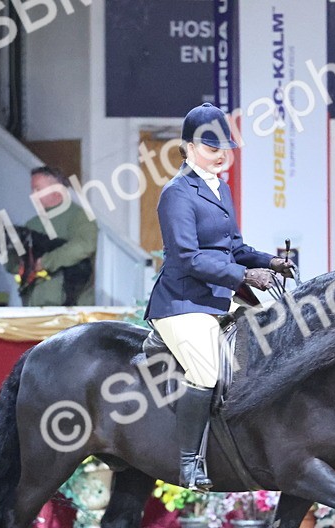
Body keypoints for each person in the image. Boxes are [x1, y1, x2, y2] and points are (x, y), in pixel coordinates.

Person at [144, 103, 294, 490]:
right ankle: (190, 463)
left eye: (224, 148)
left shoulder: (220, 188)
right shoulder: (177, 194)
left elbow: (235, 248)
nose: (220, 156)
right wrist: (245, 274)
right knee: (206, 371)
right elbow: (188, 257)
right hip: (183, 302)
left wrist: (270, 262)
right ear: (190, 147)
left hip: (220, 296)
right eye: (213, 149)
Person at [12, 166, 98, 306]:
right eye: (33, 190)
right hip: (34, 308)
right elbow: (14, 264)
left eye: (38, 189)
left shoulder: (80, 217)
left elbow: (84, 246)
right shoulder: (32, 224)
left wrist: (45, 262)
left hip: (71, 309)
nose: (33, 195)